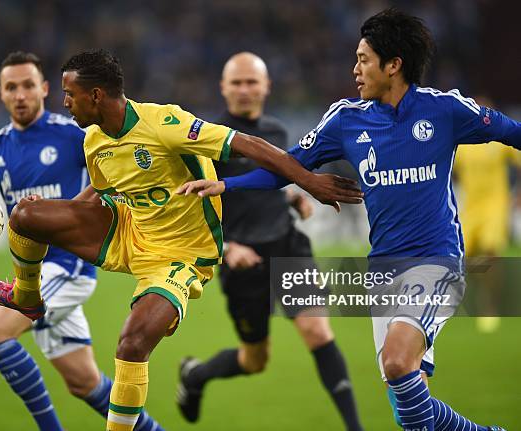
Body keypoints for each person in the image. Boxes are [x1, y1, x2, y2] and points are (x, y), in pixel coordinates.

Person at [0, 49, 363, 431]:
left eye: (70, 94)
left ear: (96, 95)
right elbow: (100, 194)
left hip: (182, 255)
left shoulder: (164, 122)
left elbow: (248, 144)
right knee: (25, 216)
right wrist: (60, 215)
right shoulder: (94, 140)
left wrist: (309, 182)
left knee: (132, 343)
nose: (66, 102)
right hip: (127, 231)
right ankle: (26, 296)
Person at [178, 9, 521, 431]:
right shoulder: (345, 119)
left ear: (393, 64)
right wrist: (228, 186)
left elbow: (511, 132)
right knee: (411, 411)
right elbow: (288, 166)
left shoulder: (445, 111)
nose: (354, 69)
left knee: (397, 362)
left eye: (363, 59)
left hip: (436, 262)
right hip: (382, 271)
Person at [0, 51, 162, 431]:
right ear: (1, 94)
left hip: (68, 265)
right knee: (84, 383)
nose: (20, 94)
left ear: (43, 89)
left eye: (28, 85)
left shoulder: (74, 134)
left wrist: (69, 209)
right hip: (31, 270)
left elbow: (110, 169)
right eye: (11, 87)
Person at [176, 52, 364, 430]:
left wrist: (292, 197)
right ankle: (195, 376)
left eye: (252, 82)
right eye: (237, 82)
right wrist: (227, 248)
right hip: (241, 259)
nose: (245, 90)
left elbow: (270, 181)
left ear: (266, 86)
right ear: (223, 88)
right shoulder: (208, 139)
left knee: (318, 331)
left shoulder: (276, 132)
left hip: (286, 245)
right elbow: (192, 206)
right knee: (255, 360)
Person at [454, 97, 520, 333]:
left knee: (491, 252)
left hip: (495, 204)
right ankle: (479, 295)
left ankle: (489, 307)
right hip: (470, 206)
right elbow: (452, 172)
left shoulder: (499, 139)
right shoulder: (464, 144)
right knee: (465, 260)